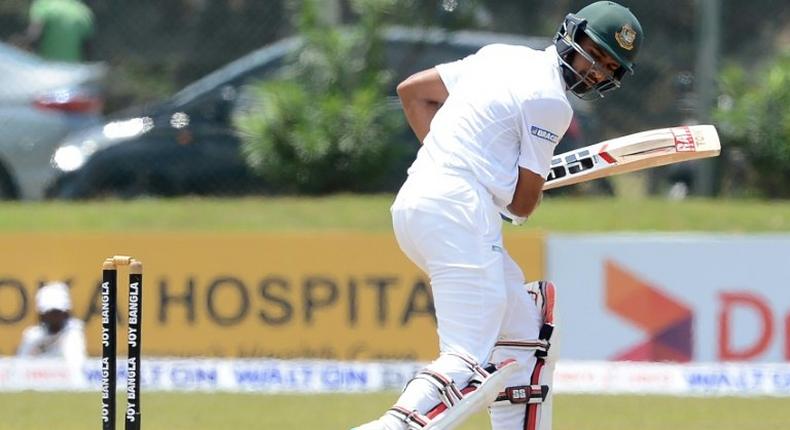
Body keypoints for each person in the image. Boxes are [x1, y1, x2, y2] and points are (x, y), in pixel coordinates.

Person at [353, 2, 642, 429]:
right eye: (594, 54)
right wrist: (492, 178)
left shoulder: (500, 55)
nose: (595, 71)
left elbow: (413, 93)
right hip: (460, 211)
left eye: (607, 67)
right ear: (571, 35)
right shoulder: (552, 105)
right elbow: (522, 206)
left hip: (419, 200)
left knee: (526, 334)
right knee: (468, 358)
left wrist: (470, 163)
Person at [17, 281, 87, 368]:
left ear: (66, 313)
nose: (54, 317)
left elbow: (75, 365)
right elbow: (21, 366)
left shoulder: (73, 333)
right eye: (50, 313)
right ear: (42, 315)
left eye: (58, 313)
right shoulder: (33, 336)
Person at [20, 0, 95, 62]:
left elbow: (33, 35)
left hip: (45, 69)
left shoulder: (43, 5)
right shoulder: (83, 11)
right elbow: (88, 49)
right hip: (73, 73)